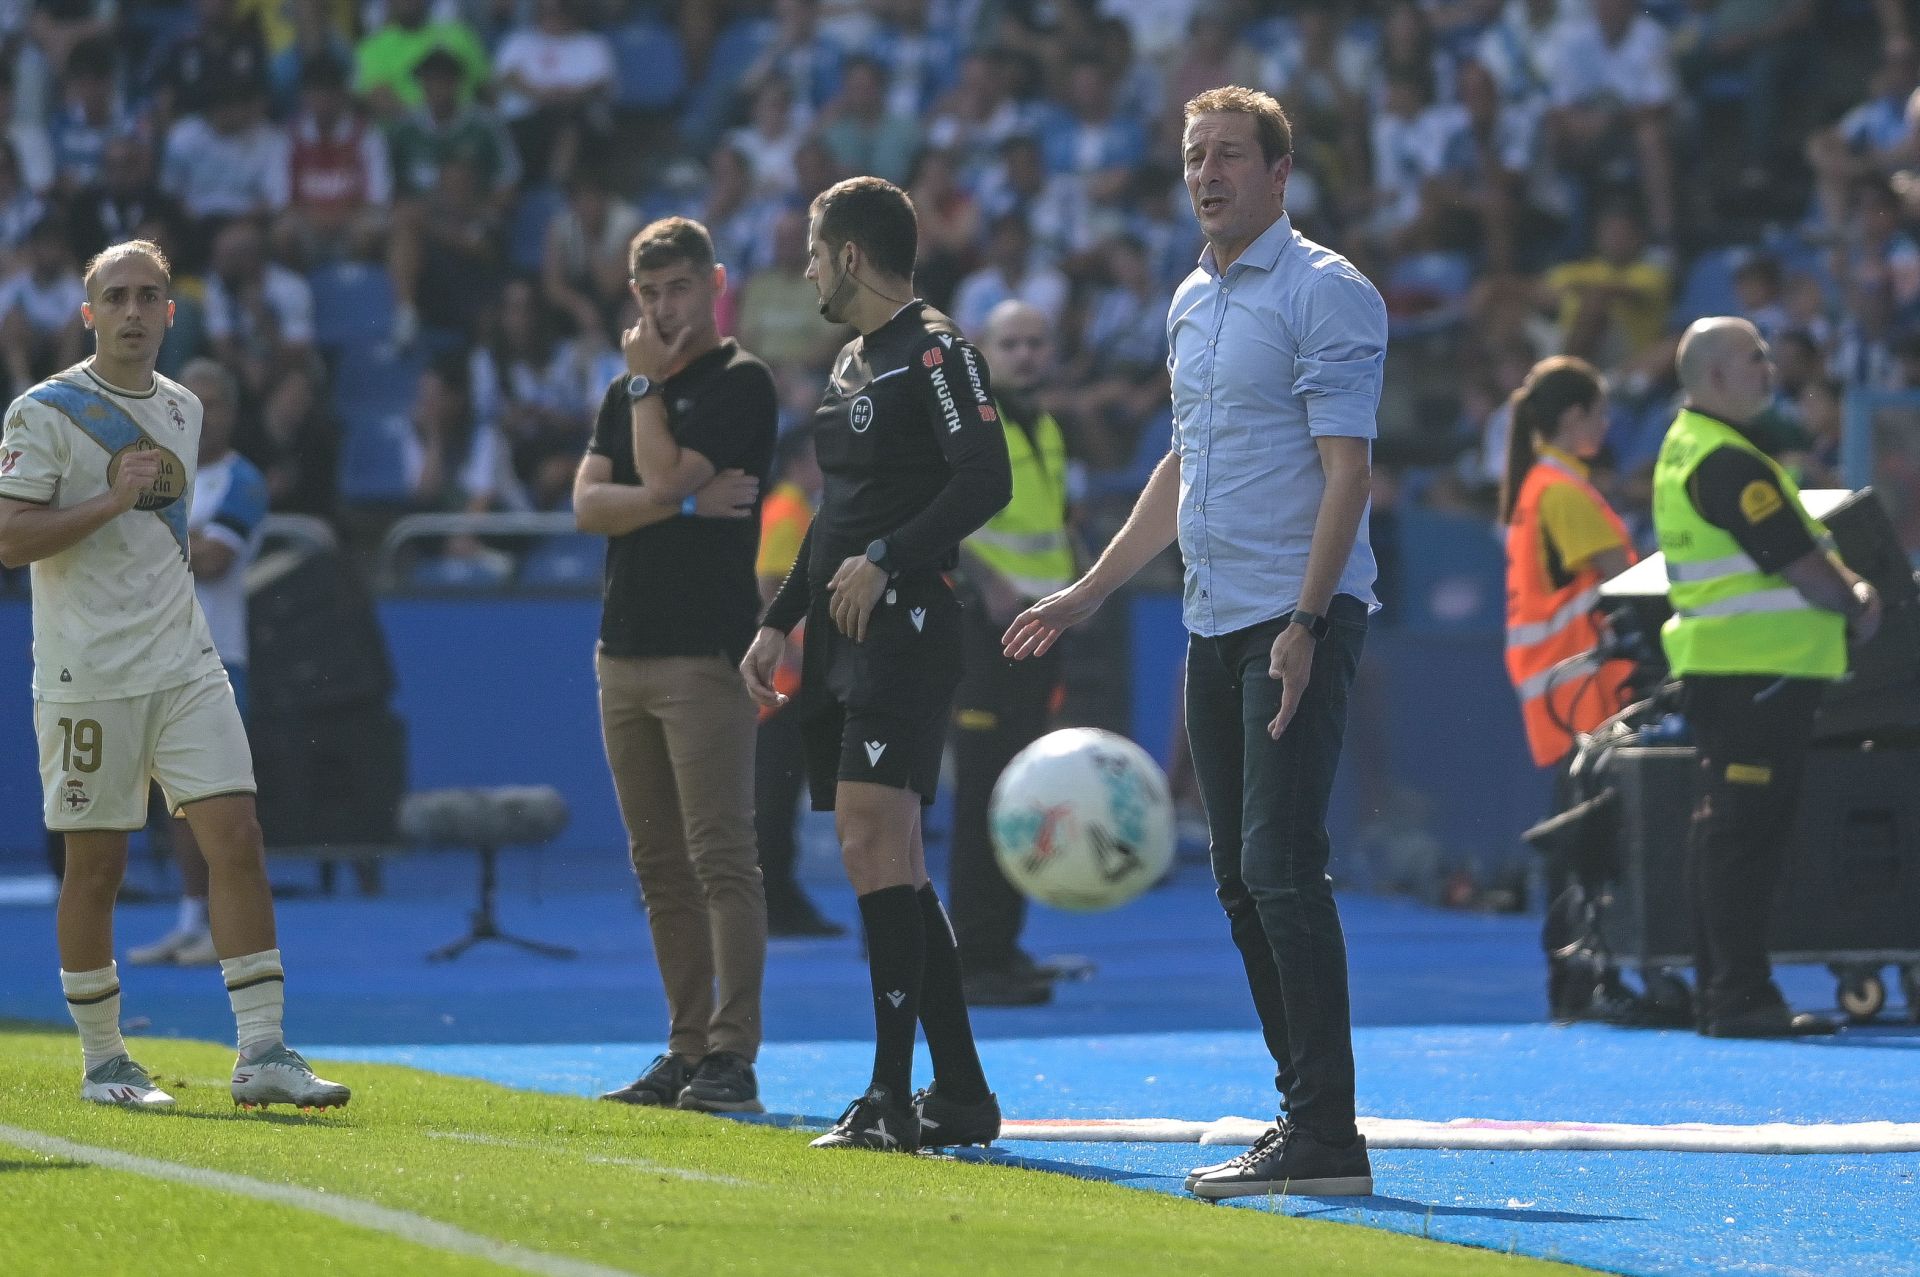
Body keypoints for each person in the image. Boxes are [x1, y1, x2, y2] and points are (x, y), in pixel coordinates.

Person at [1004, 86, 1379, 1198]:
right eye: (1193, 156)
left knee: (1280, 866)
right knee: (1235, 875)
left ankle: (1327, 1132)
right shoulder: (1190, 299)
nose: (1207, 174)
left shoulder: (1326, 290)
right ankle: (1304, 1114)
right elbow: (1183, 465)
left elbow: (1350, 471)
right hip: (1210, 620)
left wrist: (1306, 622)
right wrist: (1090, 589)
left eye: (1229, 155)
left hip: (1292, 620)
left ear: (1280, 173)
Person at [0, 239, 347, 1110]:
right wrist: (111, 498)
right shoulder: (43, 411)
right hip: (88, 673)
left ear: (170, 312)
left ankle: (262, 1049)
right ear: (89, 314)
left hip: (187, 663)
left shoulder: (183, 408)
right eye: (115, 296)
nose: (132, 310)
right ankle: (105, 1061)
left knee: (239, 838)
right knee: (96, 868)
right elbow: (9, 538)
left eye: (147, 296)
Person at [740, 176, 1011, 1152]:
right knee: (887, 857)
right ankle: (961, 1091)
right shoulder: (853, 359)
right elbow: (838, 510)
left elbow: (987, 477)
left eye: (815, 254)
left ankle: (890, 1096)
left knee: (871, 843)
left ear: (851, 255)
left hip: (908, 625)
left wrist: (890, 556)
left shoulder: (937, 350)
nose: (808, 272)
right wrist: (779, 619)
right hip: (844, 633)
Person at [578, 217, 776, 1114]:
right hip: (622, 647)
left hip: (704, 649)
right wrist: (688, 505)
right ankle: (685, 1043)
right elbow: (589, 505)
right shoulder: (627, 388)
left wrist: (647, 392)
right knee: (658, 862)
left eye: (680, 289)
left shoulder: (739, 382)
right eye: (650, 293)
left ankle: (732, 1053)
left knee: (721, 855)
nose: (664, 308)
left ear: (715, 285)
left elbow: (653, 477)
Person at [1653, 317, 1881, 1038]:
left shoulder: (1689, 446)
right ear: (1716, 374)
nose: (1770, 369)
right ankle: (1740, 997)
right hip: (1758, 672)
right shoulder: (1729, 461)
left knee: (1724, 831)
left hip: (1732, 669)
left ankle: (1723, 990)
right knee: (1744, 837)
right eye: (1755, 358)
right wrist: (1859, 601)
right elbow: (1801, 563)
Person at [1496, 355, 1644, 1022]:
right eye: (1599, 412)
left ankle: (1579, 979)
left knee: (1581, 839)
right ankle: (1580, 979)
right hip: (1584, 692)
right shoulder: (1562, 492)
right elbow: (1628, 582)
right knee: (1587, 845)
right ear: (1573, 417)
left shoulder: (1541, 487)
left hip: (1562, 692)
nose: (1607, 424)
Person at [948, 299, 1076, 1007]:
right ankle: (973, 957)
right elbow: (940, 514)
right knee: (983, 794)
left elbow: (1048, 525)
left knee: (1025, 790)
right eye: (1011, 343)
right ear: (984, 351)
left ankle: (1003, 943)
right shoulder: (971, 423)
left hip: (1039, 631)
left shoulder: (1044, 424)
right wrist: (987, 581)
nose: (1025, 354)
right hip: (984, 632)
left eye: (1036, 342)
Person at [128, 358, 270, 968]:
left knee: (219, 800)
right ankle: (192, 919)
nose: (199, 417)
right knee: (177, 803)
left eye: (212, 405)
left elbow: (213, 561)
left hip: (216, 657)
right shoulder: (152, 472)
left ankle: (229, 925)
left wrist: (140, 536)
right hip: (156, 656)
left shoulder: (243, 481)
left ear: (232, 413)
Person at [753, 424, 843, 937]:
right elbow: (771, 585)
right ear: (794, 463)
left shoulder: (793, 508)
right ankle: (774, 900)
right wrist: (793, 650)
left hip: (792, 678)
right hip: (788, 683)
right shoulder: (787, 510)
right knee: (775, 793)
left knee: (778, 793)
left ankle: (777, 896)